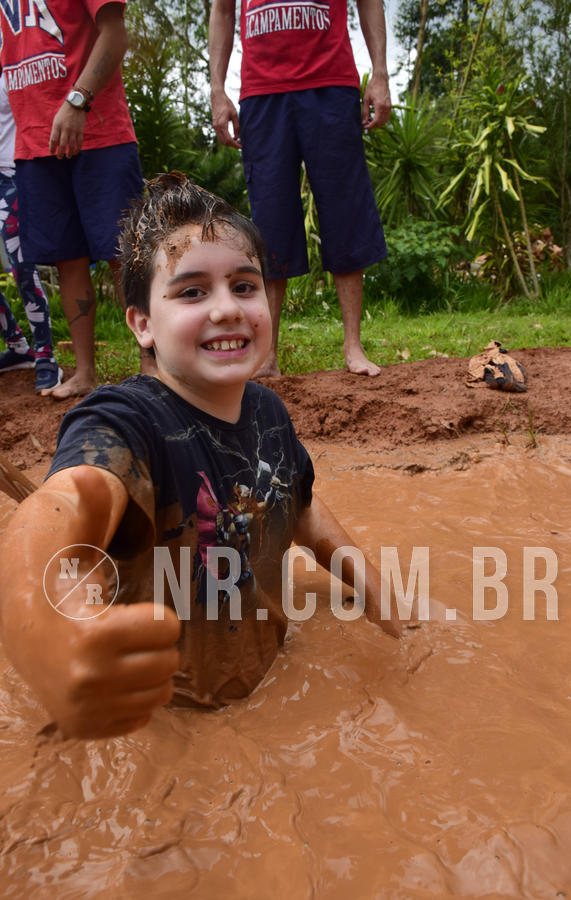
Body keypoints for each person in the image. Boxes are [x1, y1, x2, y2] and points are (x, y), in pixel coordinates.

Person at [0, 173, 403, 740]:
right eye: (191, 292)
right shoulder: (124, 421)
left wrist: (369, 584)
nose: (226, 309)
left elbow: (303, 507)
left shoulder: (268, 412)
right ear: (142, 323)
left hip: (268, 679)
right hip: (162, 718)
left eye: (244, 285)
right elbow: (57, 510)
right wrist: (44, 632)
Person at [209, 0, 391, 377]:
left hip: (331, 85)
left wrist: (381, 74)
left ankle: (353, 346)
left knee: (344, 209)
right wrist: (217, 89)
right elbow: (223, 10)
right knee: (270, 220)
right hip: (262, 92)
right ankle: (268, 354)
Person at [0, 0, 143, 399]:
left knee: (124, 252)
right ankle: (84, 373)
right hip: (33, 142)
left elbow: (115, 34)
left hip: (98, 130)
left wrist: (79, 99)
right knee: (67, 258)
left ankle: (154, 369)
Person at [0, 76, 62, 392]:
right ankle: (17, 347)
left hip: (10, 176)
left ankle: (45, 356)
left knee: (21, 265)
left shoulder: (8, 55)